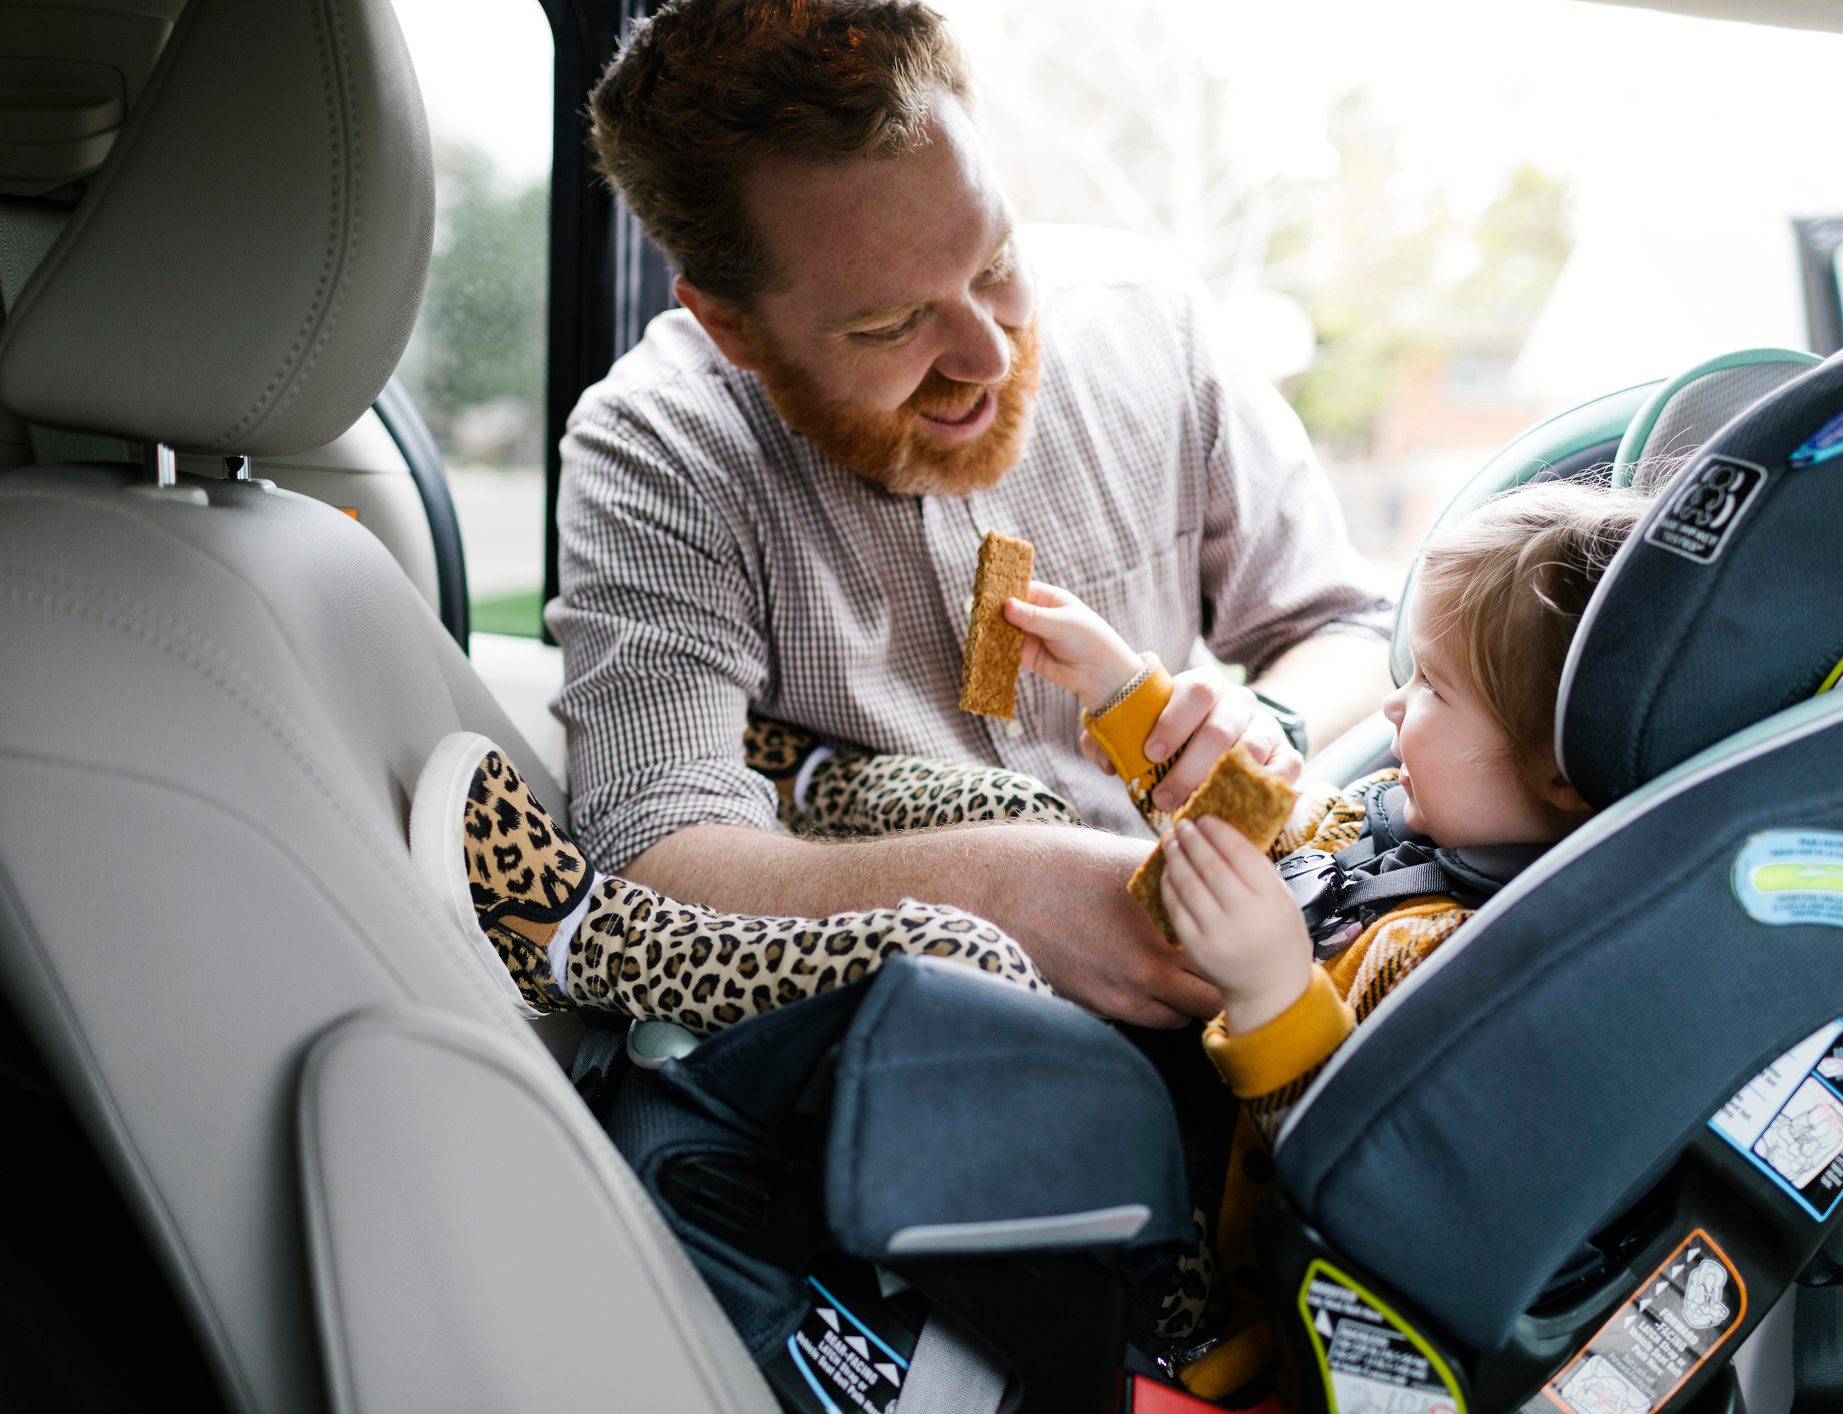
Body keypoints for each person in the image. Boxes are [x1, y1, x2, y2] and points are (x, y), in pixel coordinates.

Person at [409, 477, 1645, 1393]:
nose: (1391, 705)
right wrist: (1125, 690)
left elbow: (1373, 1199)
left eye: (1431, 689)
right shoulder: (1405, 828)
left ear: (1561, 776)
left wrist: (1273, 986)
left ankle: (579, 939)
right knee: (1019, 812)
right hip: (1152, 1074)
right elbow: (1273, 819)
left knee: (968, 952)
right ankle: (806, 782)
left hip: (1189, 1280)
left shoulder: (1470, 970)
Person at [552, 0, 1395, 1028]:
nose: (989, 358)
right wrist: (1003, 891)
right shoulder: (658, 449)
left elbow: (1347, 627)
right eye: (892, 323)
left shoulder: (1154, 324)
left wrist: (1266, 724)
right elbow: (654, 844)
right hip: (922, 1037)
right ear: (731, 327)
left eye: (994, 260)